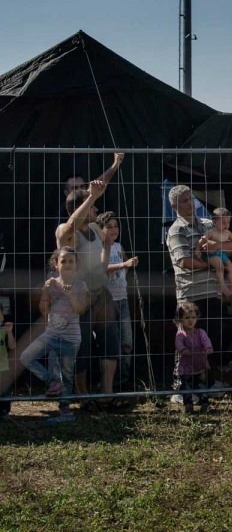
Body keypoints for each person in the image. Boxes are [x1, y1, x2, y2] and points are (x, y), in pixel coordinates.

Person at [167, 185, 232, 379]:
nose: (190, 203)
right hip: (190, 295)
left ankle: (211, 381)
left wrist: (215, 247)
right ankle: (184, 384)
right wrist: (211, 263)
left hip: (213, 292)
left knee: (213, 340)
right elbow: (184, 261)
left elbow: (231, 245)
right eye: (184, 201)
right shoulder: (176, 230)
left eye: (191, 199)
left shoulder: (208, 224)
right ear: (174, 206)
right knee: (188, 342)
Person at [57, 178, 121, 403]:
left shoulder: (95, 228)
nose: (95, 209)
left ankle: (106, 394)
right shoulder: (67, 232)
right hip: (80, 299)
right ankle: (83, 396)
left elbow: (105, 249)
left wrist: (115, 164)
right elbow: (70, 225)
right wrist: (91, 195)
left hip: (101, 295)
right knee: (82, 347)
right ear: (80, 208)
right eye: (92, 205)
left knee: (110, 342)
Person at [21, 247, 88, 423]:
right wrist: (45, 290)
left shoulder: (80, 285)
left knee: (67, 374)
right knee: (26, 357)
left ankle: (65, 411)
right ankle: (53, 382)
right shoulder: (51, 284)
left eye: (71, 261)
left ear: (76, 264)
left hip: (71, 339)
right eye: (63, 261)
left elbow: (80, 309)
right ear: (56, 264)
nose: (67, 264)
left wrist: (69, 294)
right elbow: (44, 311)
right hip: (51, 334)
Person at [98, 211, 139, 390]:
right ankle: (107, 383)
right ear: (101, 230)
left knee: (126, 342)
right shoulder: (98, 248)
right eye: (109, 227)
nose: (114, 230)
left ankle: (122, 381)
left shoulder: (118, 246)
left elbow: (125, 262)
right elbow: (101, 268)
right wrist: (123, 265)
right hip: (106, 302)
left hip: (122, 299)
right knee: (110, 344)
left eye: (116, 226)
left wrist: (126, 267)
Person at [174, 301, 213, 414]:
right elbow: (178, 344)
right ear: (181, 319)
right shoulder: (181, 334)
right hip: (185, 366)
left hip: (200, 364)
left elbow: (206, 341)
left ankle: (204, 403)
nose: (190, 320)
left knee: (202, 384)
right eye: (187, 318)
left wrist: (208, 348)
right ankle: (188, 404)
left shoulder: (200, 332)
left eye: (193, 317)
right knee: (186, 386)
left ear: (197, 318)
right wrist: (183, 349)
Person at [204, 208, 232, 312]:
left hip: (221, 254)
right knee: (220, 267)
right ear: (214, 222)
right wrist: (199, 249)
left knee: (231, 268)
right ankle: (223, 286)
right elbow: (202, 241)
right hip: (212, 255)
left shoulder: (228, 233)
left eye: (228, 222)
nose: (226, 225)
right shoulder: (211, 232)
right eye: (223, 222)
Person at [0, 309, 14, 419]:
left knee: (4, 391)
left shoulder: (3, 330)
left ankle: (4, 412)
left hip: (3, 366)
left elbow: (12, 346)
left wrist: (9, 332)